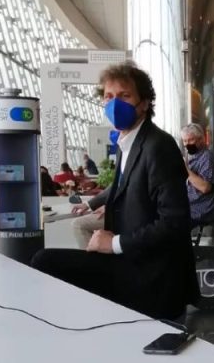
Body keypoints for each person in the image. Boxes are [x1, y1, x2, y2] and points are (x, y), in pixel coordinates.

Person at [31, 62, 197, 320]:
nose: (114, 103)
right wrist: (95, 206)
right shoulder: (127, 143)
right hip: (131, 261)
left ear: (144, 103)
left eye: (124, 95)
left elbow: (175, 223)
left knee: (45, 262)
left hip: (150, 275)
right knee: (46, 262)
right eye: (109, 97)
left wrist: (114, 243)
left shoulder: (158, 146)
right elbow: (121, 185)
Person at [181, 122, 214, 229]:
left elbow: (205, 187)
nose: (187, 144)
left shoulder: (207, 158)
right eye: (185, 141)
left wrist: (185, 169)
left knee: (170, 220)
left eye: (191, 140)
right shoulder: (193, 156)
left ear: (201, 139)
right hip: (193, 205)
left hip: (203, 207)